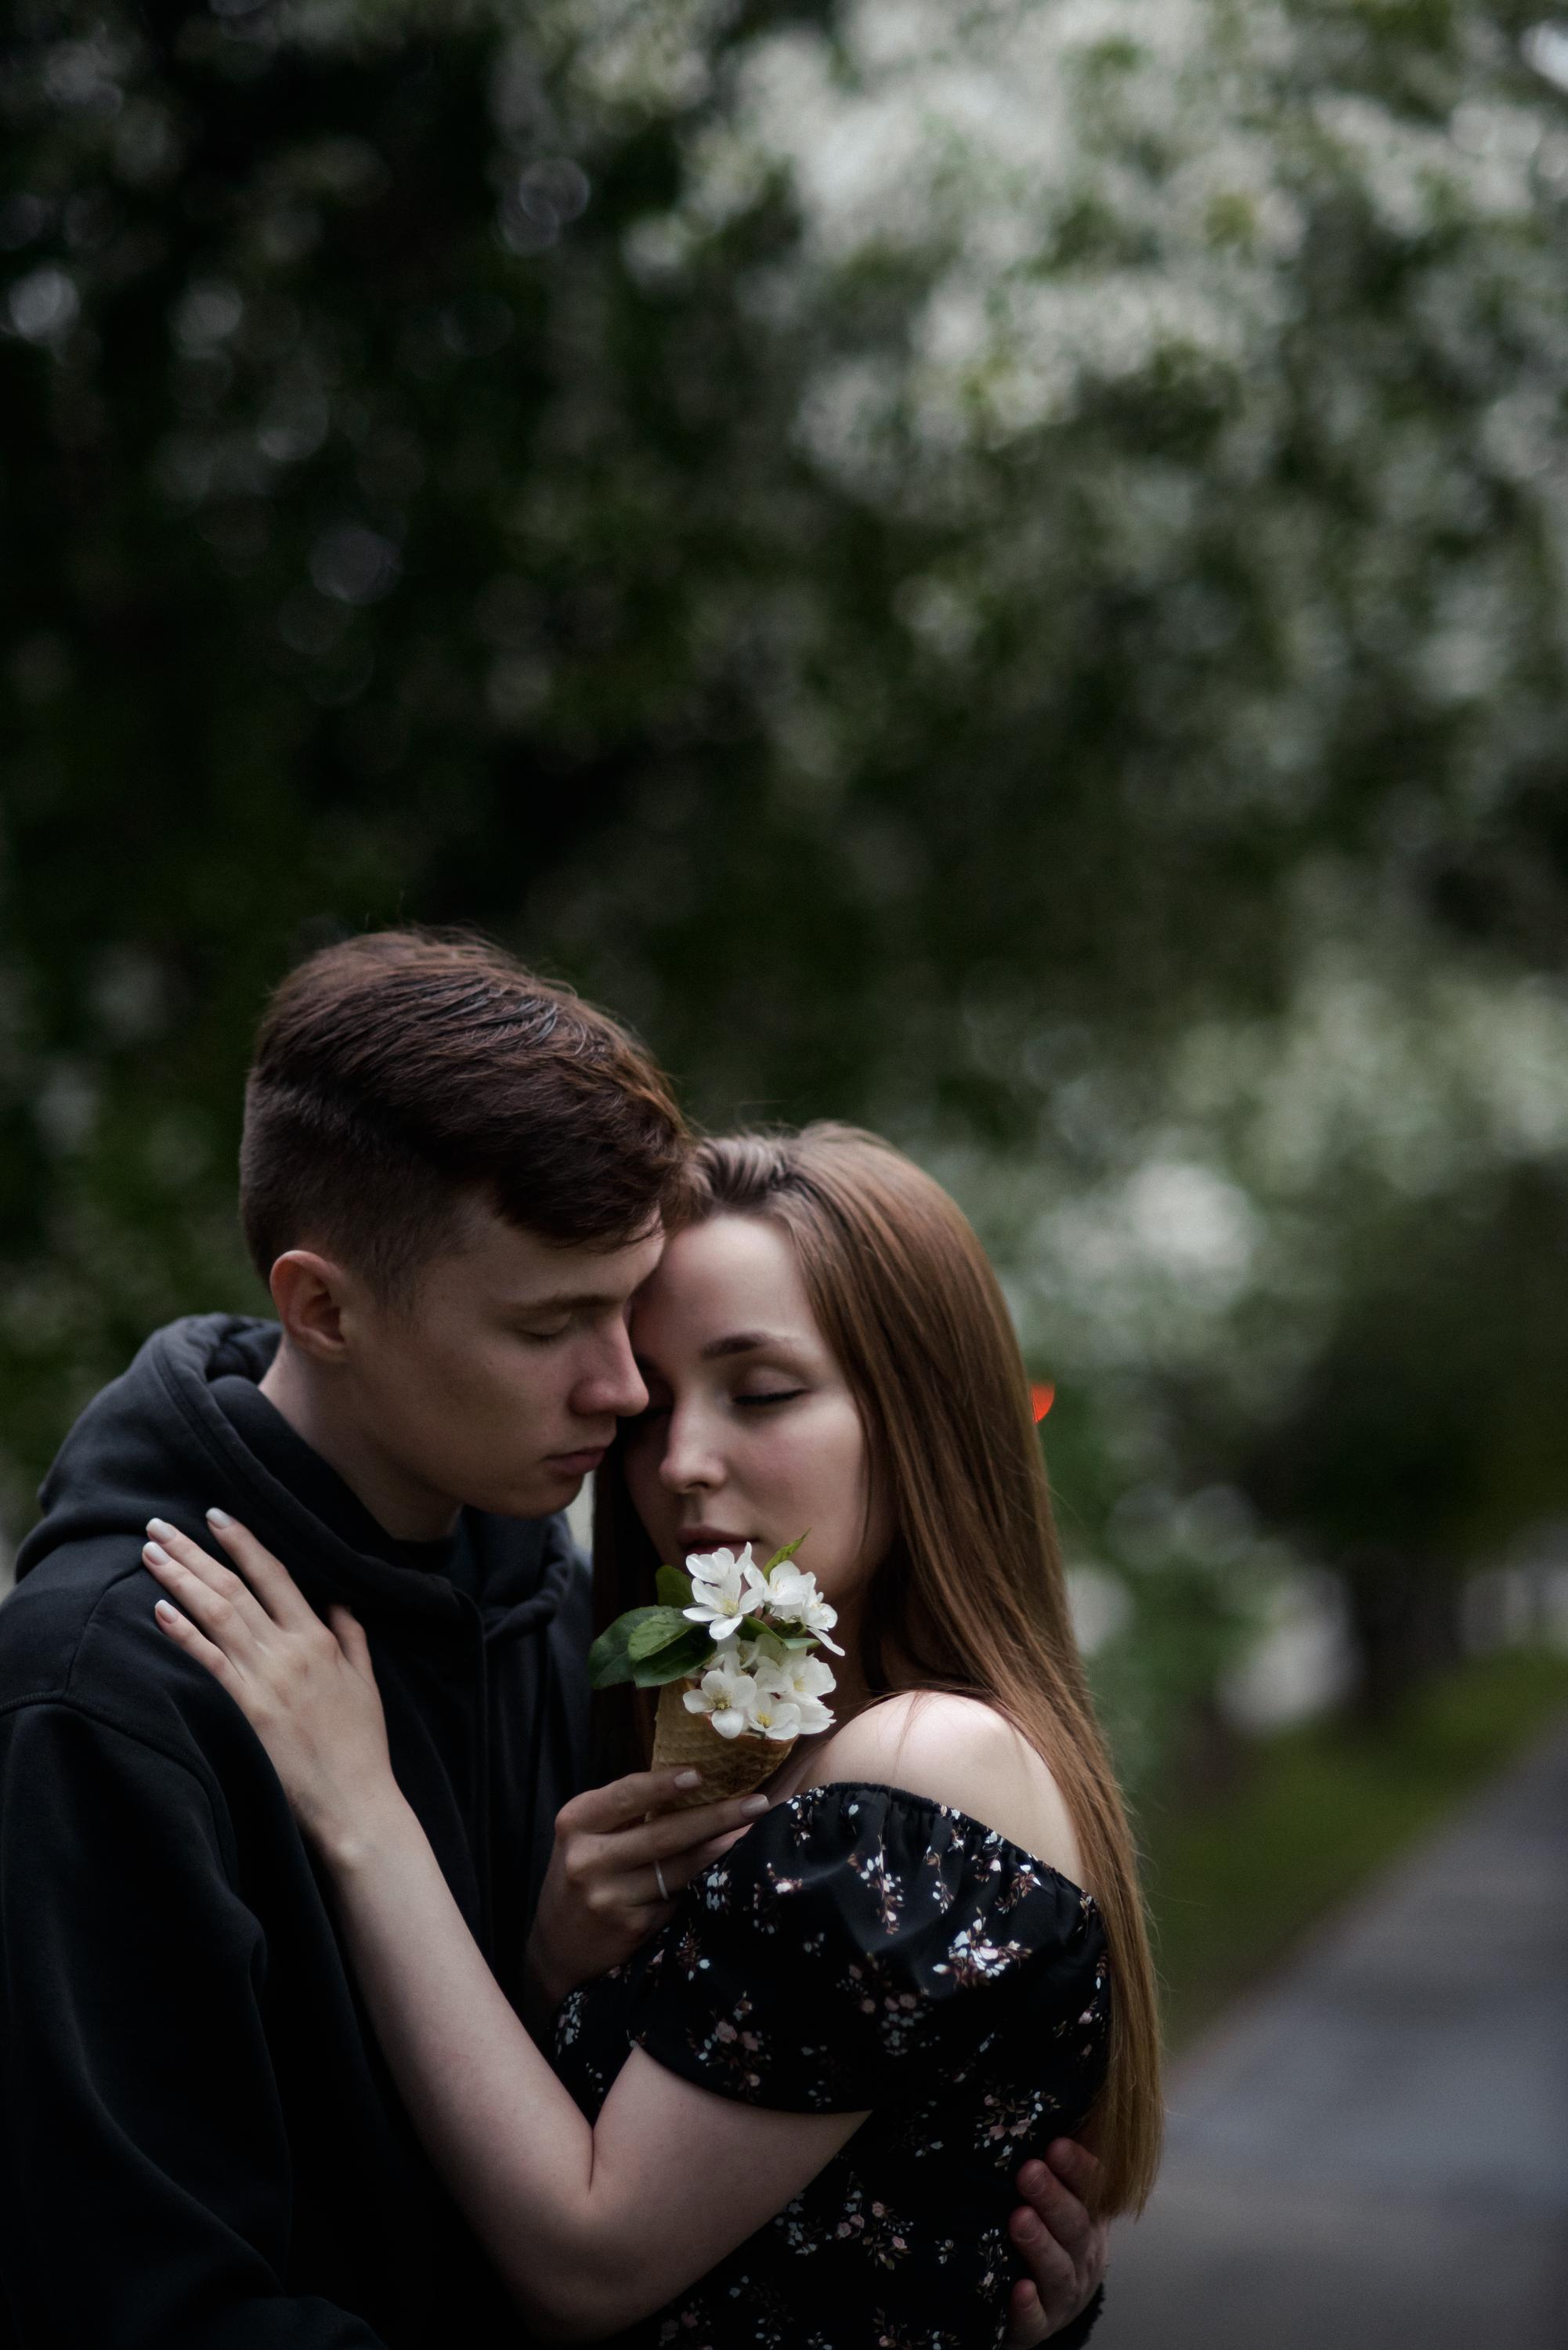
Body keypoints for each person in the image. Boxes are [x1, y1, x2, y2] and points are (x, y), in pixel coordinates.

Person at [0, 934, 1106, 2348]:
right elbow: (138, 2307)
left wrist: (939, 2265)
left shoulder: (541, 1586)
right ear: (323, 1307)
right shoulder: (109, 1688)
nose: (628, 1393)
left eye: (627, 1311)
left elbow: (544, 2155)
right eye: (554, 1325)